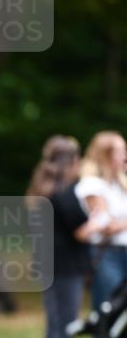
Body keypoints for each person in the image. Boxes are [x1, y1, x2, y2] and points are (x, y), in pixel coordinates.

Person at [25, 136, 93, 338]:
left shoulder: (41, 190)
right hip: (65, 268)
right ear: (72, 162)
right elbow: (82, 229)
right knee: (64, 328)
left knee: (54, 327)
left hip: (47, 266)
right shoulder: (65, 194)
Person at [75, 131, 127, 309]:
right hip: (107, 255)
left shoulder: (119, 185)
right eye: (121, 152)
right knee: (109, 308)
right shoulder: (92, 185)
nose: (125, 157)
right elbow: (106, 225)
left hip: (124, 252)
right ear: (106, 155)